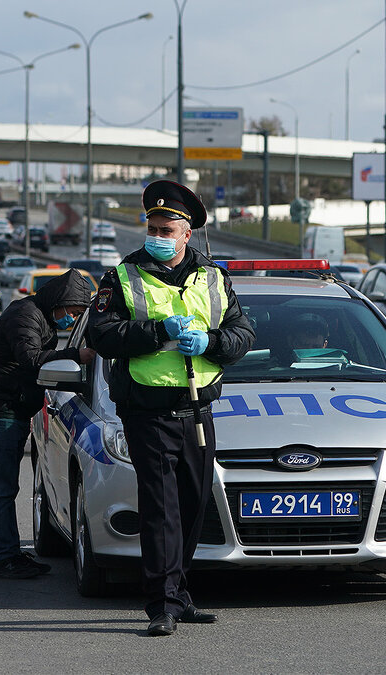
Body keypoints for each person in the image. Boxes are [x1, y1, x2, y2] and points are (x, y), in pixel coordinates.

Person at [87, 180, 255, 636]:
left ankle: (179, 595)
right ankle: (161, 603)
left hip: (198, 409)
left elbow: (243, 334)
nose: (157, 236)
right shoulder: (122, 277)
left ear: (187, 234)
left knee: (193, 504)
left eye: (167, 229)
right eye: (153, 227)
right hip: (147, 409)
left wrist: (212, 342)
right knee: (161, 509)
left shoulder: (214, 277)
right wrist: (156, 331)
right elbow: (100, 336)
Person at [0, 269, 96, 579]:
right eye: (74, 312)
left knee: (5, 486)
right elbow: (31, 358)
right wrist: (75, 354)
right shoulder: (24, 315)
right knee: (1, 488)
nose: (73, 319)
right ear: (61, 302)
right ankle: (1, 559)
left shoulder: (41, 317)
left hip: (9, 408)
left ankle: (9, 553)